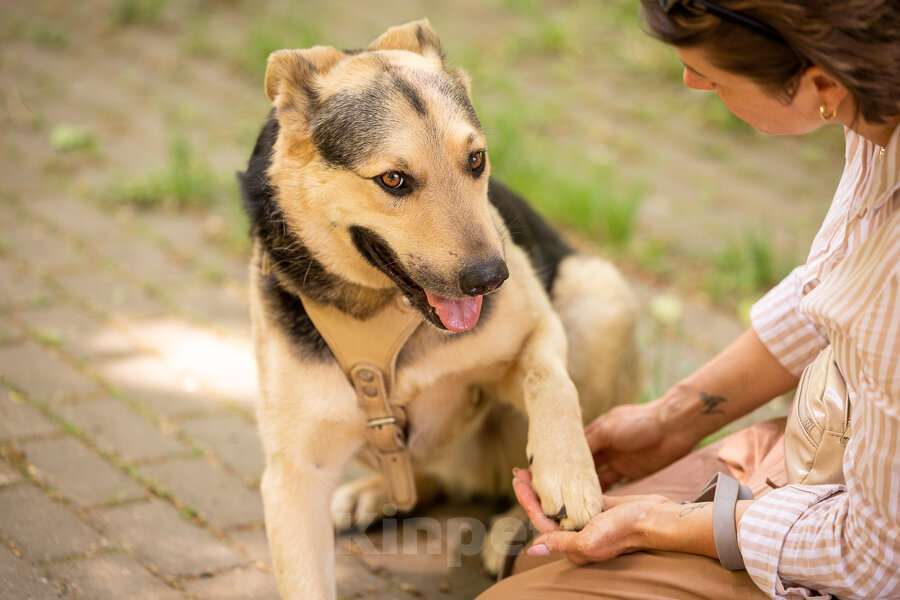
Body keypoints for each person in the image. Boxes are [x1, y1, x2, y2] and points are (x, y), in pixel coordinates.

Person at [478, 1, 899, 598]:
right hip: (836, 450)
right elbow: (833, 288)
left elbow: (877, 557)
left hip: (860, 548)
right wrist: (673, 418)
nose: (690, 81)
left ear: (820, 82)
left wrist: (661, 523)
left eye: (713, 76)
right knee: (535, 558)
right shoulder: (876, 113)